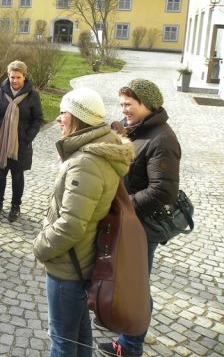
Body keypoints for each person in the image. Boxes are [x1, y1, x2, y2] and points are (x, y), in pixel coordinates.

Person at [33, 88, 133, 357]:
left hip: (69, 265)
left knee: (62, 342)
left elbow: (71, 225)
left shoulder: (86, 162)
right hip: (82, 261)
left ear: (77, 117)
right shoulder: (94, 152)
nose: (57, 118)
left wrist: (40, 246)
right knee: (78, 335)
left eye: (63, 112)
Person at [97, 79, 181, 357]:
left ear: (148, 104)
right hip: (127, 221)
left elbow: (163, 191)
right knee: (124, 280)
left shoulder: (162, 139)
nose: (124, 110)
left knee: (135, 286)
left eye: (129, 105)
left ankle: (131, 346)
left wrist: (124, 207)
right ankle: (123, 329)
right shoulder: (136, 127)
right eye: (121, 104)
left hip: (140, 227)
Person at [0, 60, 43, 222]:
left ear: (24, 77)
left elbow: (37, 119)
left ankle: (15, 206)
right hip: (0, 142)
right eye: (12, 77)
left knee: (17, 176)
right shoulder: (0, 92)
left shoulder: (33, 95)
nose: (14, 80)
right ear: (8, 76)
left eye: (18, 77)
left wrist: (27, 137)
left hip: (21, 143)